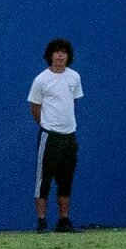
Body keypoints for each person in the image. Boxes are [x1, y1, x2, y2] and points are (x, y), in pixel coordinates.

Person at [29, 39, 85, 232]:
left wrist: (65, 124)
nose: (60, 56)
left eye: (63, 52)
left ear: (68, 56)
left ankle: (63, 219)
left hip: (69, 136)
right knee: (44, 179)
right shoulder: (41, 80)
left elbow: (73, 102)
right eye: (56, 52)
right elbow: (35, 107)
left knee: (66, 178)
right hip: (49, 136)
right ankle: (42, 220)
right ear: (50, 55)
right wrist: (46, 124)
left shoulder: (74, 77)